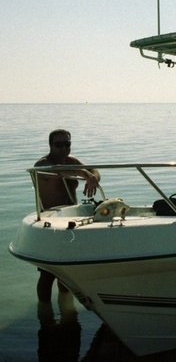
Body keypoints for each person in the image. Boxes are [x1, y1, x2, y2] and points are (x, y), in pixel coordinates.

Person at [35, 129, 100, 302]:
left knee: (68, 270)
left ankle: (66, 306)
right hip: (50, 223)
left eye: (67, 144)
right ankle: (44, 311)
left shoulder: (72, 161)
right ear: (50, 145)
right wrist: (85, 174)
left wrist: (92, 176)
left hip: (71, 221)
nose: (64, 148)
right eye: (59, 144)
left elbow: (93, 170)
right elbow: (59, 171)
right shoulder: (42, 165)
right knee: (48, 273)